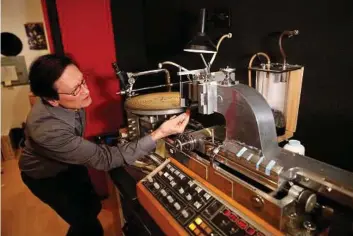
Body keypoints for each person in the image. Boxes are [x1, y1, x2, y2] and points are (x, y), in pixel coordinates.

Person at [18, 54, 189, 236]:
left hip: (69, 162)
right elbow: (105, 159)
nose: (86, 91)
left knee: (92, 206)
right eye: (76, 89)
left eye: (83, 81)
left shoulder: (66, 97)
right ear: (52, 100)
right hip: (46, 177)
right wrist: (160, 133)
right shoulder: (47, 130)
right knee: (86, 223)